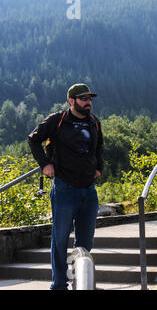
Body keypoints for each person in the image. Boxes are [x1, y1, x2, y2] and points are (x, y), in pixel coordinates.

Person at [28, 83, 103, 290]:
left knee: (86, 240)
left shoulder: (94, 122)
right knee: (60, 239)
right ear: (71, 101)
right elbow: (33, 140)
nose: (88, 103)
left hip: (89, 189)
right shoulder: (57, 120)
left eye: (90, 99)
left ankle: (82, 282)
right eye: (83, 99)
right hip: (64, 188)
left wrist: (100, 167)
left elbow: (99, 146)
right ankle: (59, 284)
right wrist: (45, 164)